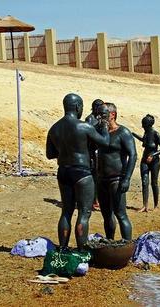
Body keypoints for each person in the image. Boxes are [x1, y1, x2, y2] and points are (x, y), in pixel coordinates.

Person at [46, 93, 109, 251]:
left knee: (66, 212)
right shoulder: (83, 126)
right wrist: (104, 125)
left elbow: (50, 154)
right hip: (82, 172)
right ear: (77, 107)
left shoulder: (54, 128)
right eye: (81, 107)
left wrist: (65, 150)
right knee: (84, 213)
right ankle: (81, 250)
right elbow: (105, 143)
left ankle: (63, 248)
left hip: (63, 171)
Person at [96, 102, 137, 240]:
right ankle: (109, 241)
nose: (100, 117)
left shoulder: (123, 132)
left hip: (117, 179)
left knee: (121, 214)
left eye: (103, 114)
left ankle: (127, 244)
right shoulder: (99, 131)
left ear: (112, 115)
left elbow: (133, 155)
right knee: (106, 215)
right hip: (101, 179)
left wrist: (127, 179)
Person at [132, 114, 160, 212]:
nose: (142, 126)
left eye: (143, 124)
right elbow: (144, 141)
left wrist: (153, 155)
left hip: (154, 162)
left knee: (154, 183)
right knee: (144, 182)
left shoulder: (156, 134)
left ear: (148, 125)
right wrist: (133, 134)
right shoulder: (146, 133)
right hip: (144, 160)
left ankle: (156, 205)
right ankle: (144, 206)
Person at [85, 99, 105, 211]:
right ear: (96, 107)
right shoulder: (90, 119)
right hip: (91, 151)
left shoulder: (99, 118)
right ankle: (94, 201)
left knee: (99, 177)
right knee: (93, 176)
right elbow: (89, 135)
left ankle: (97, 200)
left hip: (99, 150)